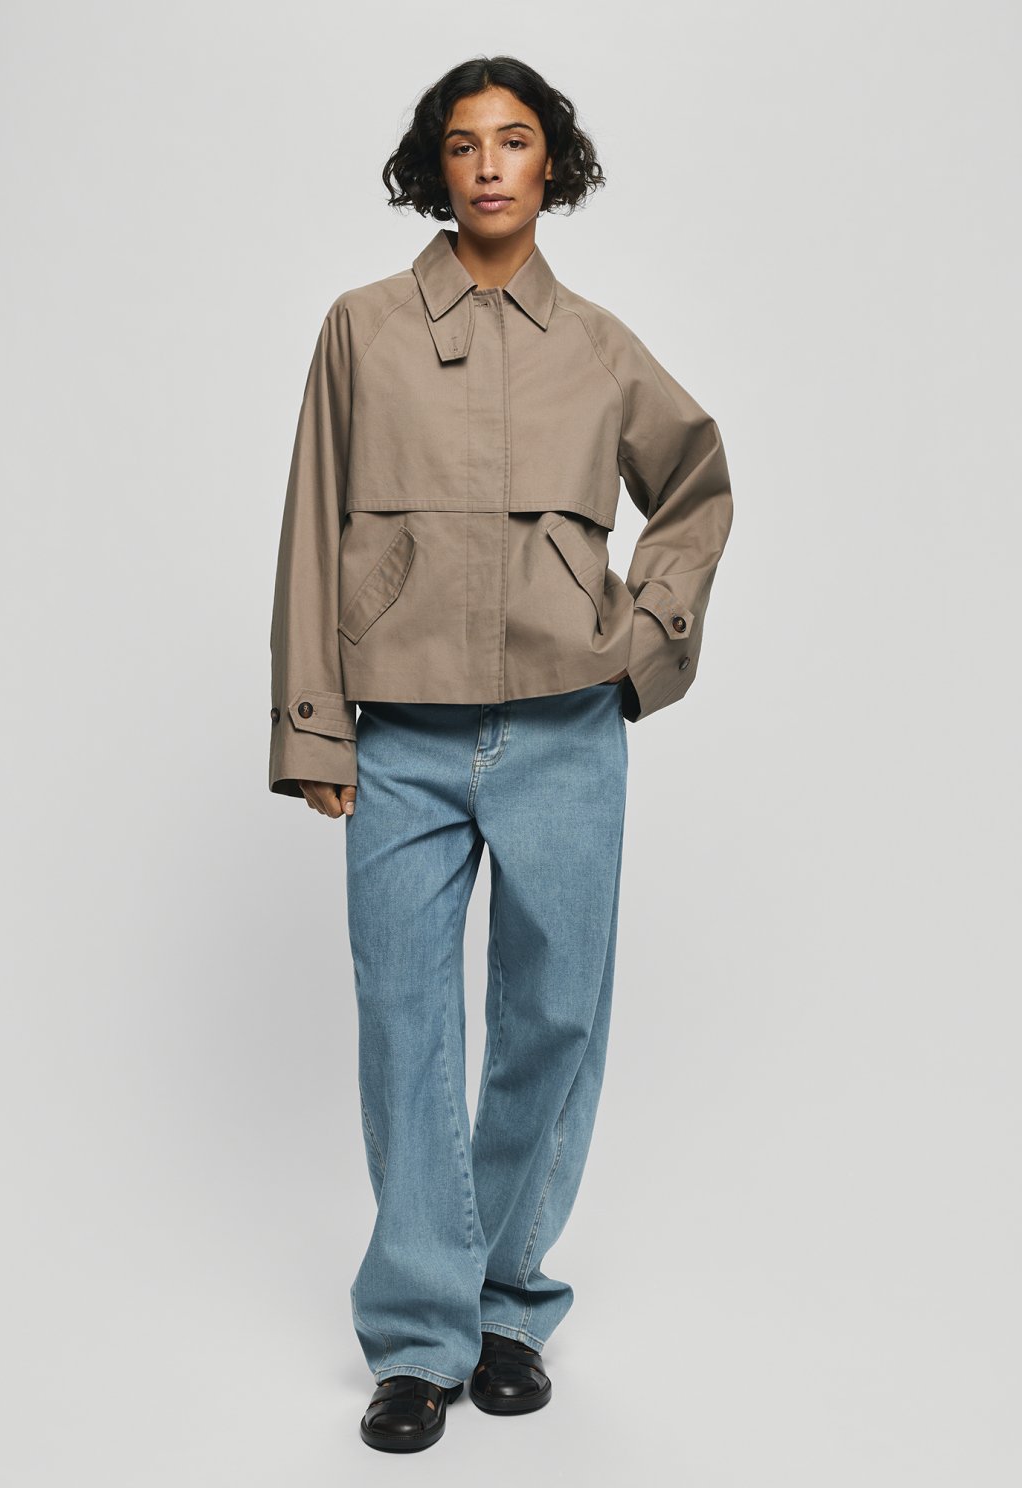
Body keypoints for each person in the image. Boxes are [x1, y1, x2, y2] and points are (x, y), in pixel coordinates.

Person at [268, 55, 734, 1453]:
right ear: (436, 166)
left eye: (514, 140)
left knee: (554, 1021)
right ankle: (420, 1340)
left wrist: (644, 641)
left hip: (564, 731)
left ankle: (511, 1305)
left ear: (549, 166)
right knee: (405, 1032)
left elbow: (696, 483)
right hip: (399, 738)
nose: (487, 165)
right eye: (464, 143)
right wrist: (313, 723)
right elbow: (310, 524)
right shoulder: (360, 329)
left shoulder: (596, 345)